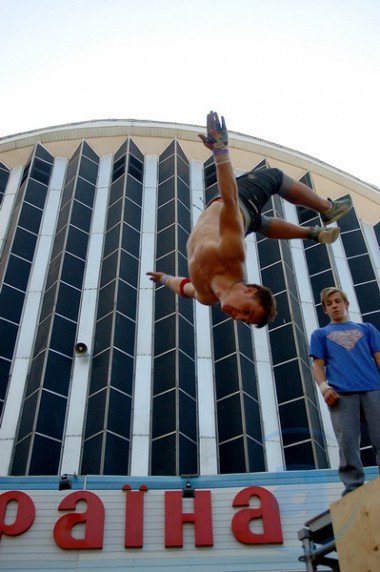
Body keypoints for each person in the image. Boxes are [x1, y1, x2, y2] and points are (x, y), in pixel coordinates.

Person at [148, 111, 352, 327]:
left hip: (241, 219)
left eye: (244, 319)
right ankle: (327, 208)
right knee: (275, 178)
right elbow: (230, 199)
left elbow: (184, 287)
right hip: (241, 203)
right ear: (249, 290)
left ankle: (312, 233)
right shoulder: (229, 255)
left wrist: (163, 278)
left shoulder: (207, 296)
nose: (238, 316)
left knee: (258, 223)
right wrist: (221, 152)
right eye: (247, 310)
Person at [310, 287, 380, 495]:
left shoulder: (367, 329)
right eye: (330, 303)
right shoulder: (321, 334)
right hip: (341, 394)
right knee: (347, 443)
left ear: (346, 304)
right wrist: (324, 388)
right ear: (325, 309)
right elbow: (318, 365)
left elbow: (378, 357)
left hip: (374, 389)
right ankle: (353, 489)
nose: (335, 306)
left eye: (338, 301)